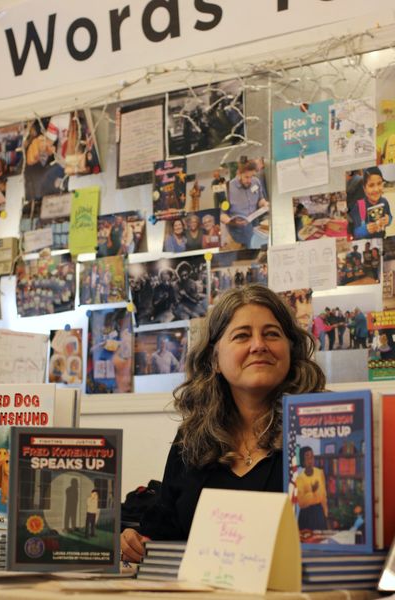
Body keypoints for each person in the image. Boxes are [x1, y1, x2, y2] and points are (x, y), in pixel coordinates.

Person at [120, 284, 326, 562]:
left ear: (290, 350)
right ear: (214, 359)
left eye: (272, 334)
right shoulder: (191, 438)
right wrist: (134, 542)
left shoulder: (324, 427)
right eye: (242, 336)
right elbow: (166, 534)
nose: (258, 345)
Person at [221, 160, 269, 248]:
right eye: (246, 177)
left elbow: (260, 199)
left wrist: (264, 204)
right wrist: (231, 221)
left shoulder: (256, 182)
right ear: (239, 173)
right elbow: (222, 215)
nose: (250, 180)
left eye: (252, 176)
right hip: (239, 231)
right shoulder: (228, 189)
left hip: (255, 225)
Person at [349, 167, 392, 239]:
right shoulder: (358, 206)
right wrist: (365, 230)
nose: (376, 189)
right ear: (364, 188)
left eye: (379, 183)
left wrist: (388, 220)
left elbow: (390, 216)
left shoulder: (384, 201)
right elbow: (354, 232)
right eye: (371, 185)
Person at [297, 446, 328, 531]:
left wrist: (325, 513)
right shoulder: (300, 478)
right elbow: (301, 503)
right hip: (306, 514)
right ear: (303, 460)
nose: (310, 460)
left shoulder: (320, 473)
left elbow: (323, 495)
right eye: (307, 457)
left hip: (319, 512)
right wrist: (312, 491)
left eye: (312, 457)